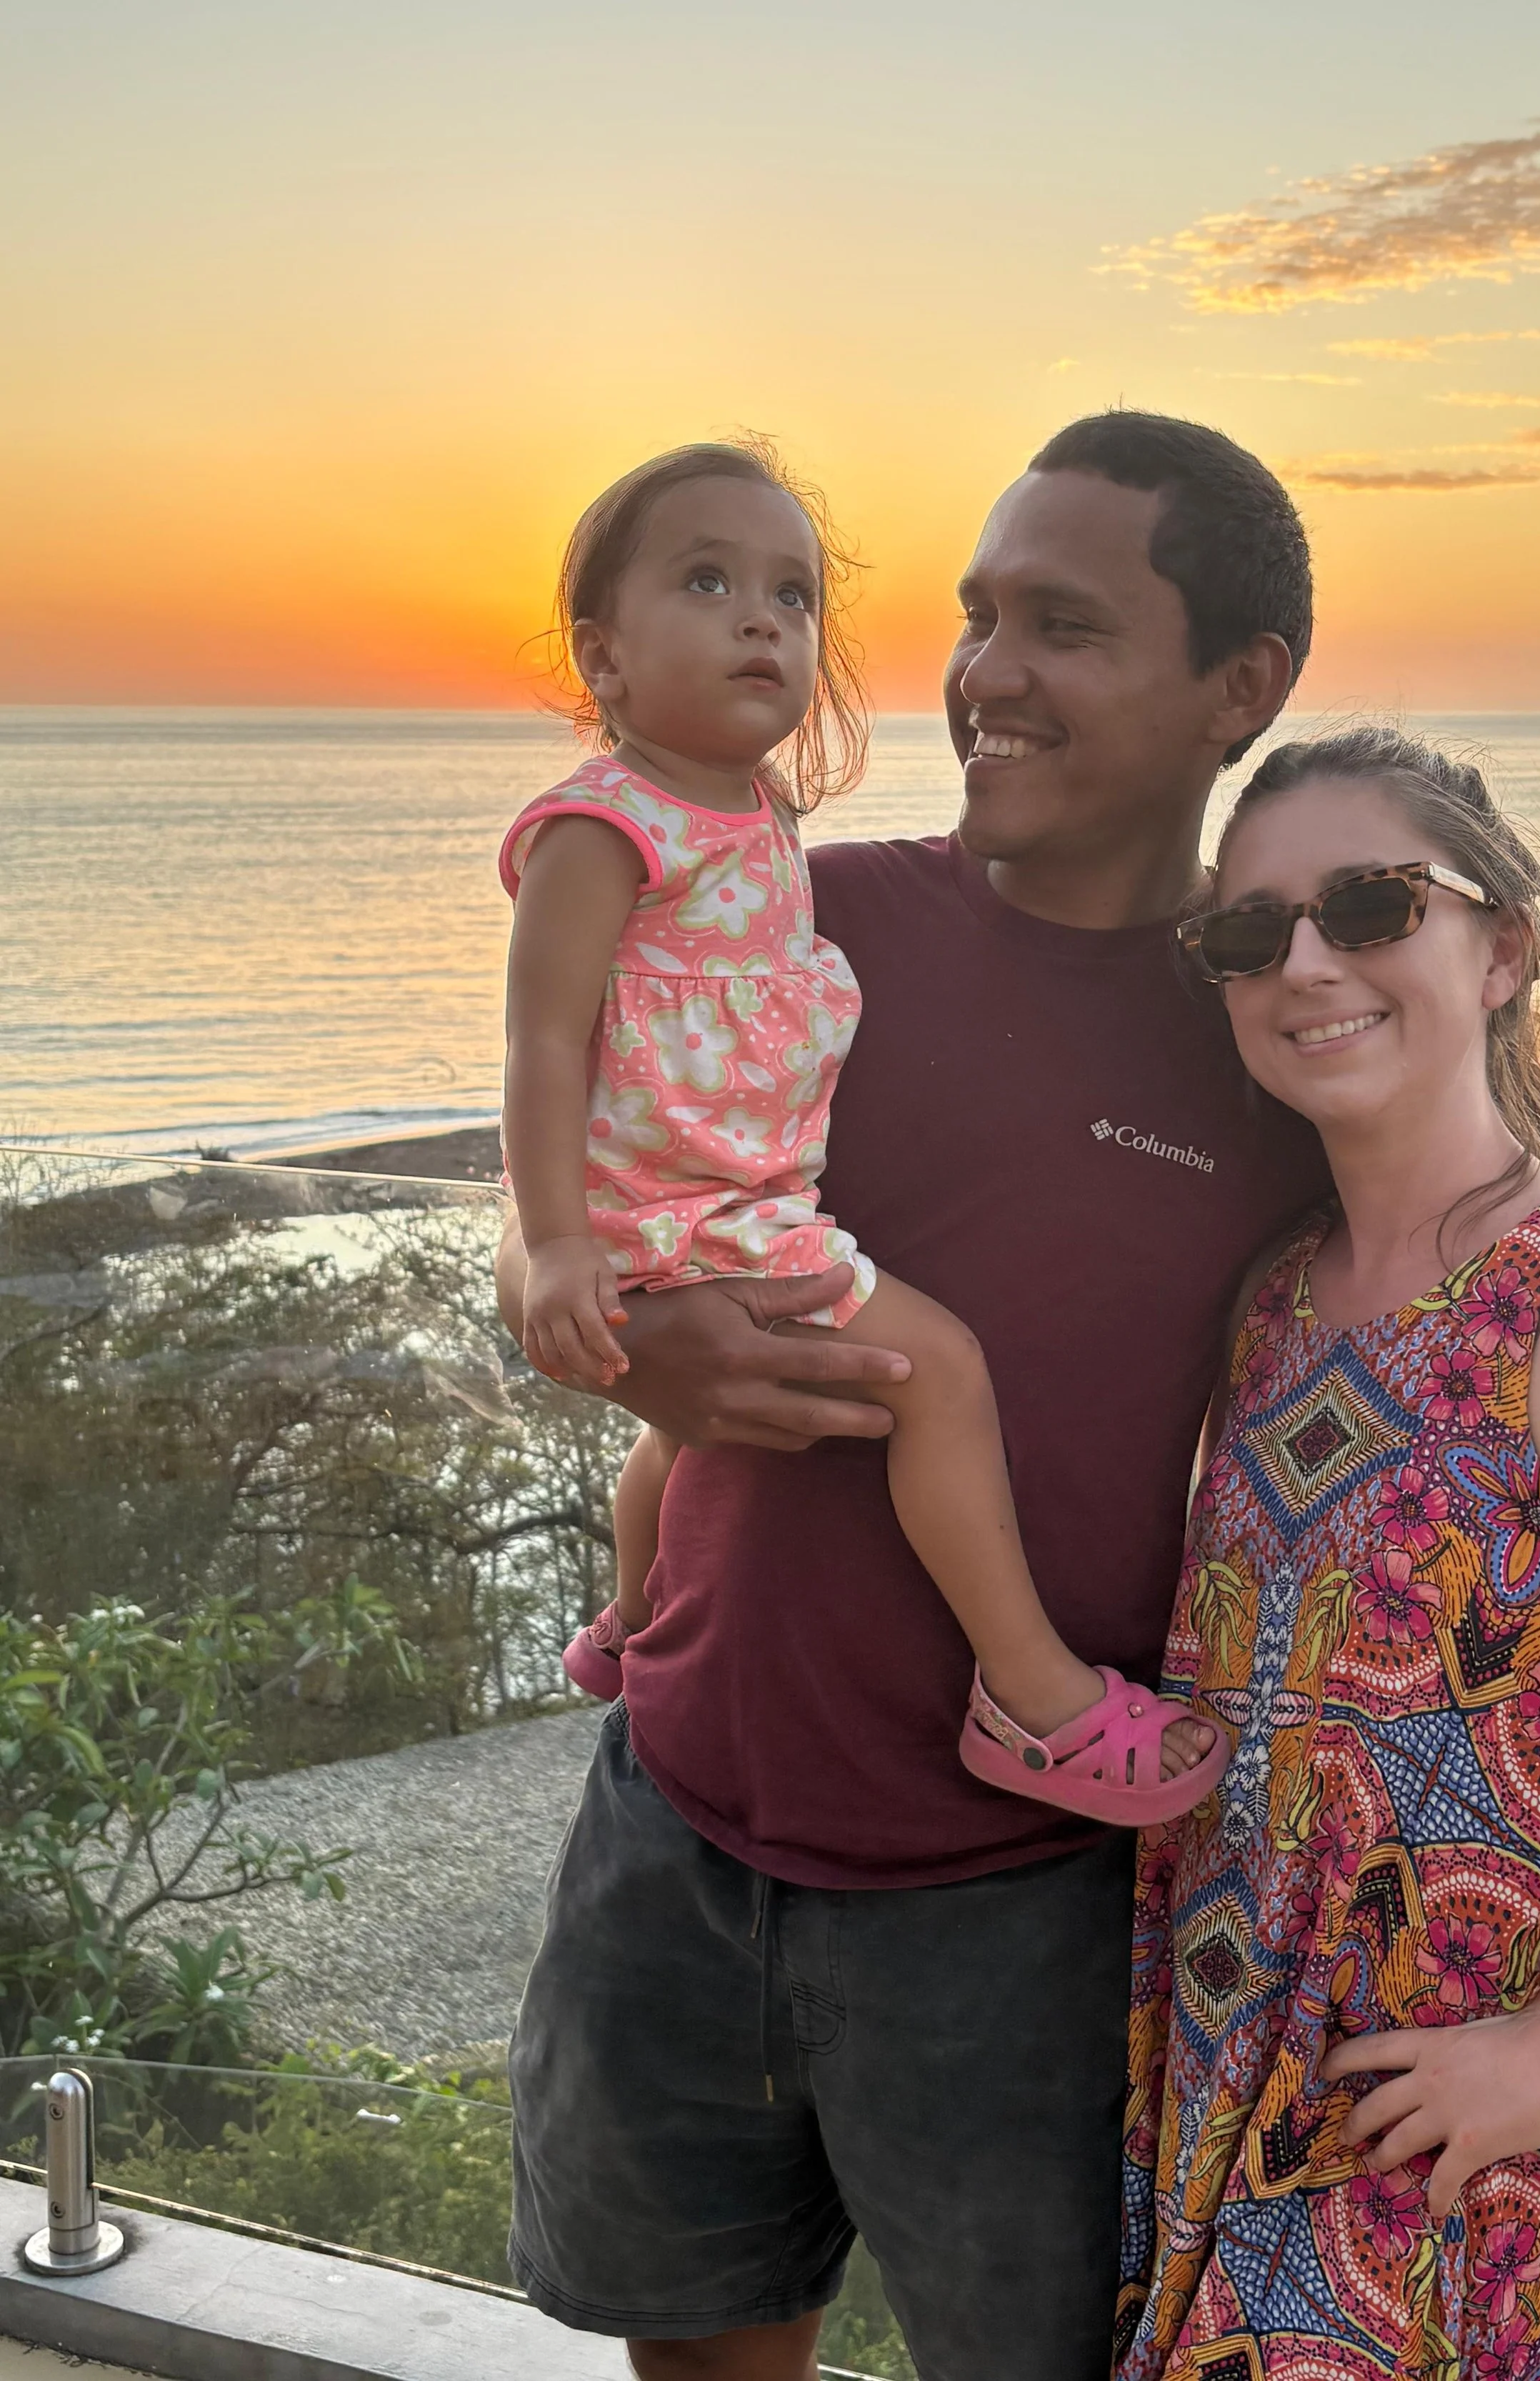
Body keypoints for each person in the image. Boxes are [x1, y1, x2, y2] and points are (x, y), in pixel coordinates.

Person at [498, 417, 1540, 2381]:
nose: (985, 674)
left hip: (1026, 1916)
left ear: (1241, 683)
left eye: (1061, 625)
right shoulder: (800, 919)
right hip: (676, 1825)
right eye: (975, 616)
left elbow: (1503, 1387)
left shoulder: (1286, 1020)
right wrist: (568, 1302)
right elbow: (582, 1150)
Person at [1118, 725, 1540, 2380]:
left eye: (1366, 904)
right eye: (1246, 930)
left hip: (1445, 2188)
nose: (1303, 961)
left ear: (1500, 950)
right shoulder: (1265, 1295)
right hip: (1207, 2122)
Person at [501, 437, 1224, 1822]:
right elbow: (544, 1055)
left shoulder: (1278, 1026)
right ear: (601, 655)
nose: (760, 622)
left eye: (791, 595)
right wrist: (560, 1260)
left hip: (717, 1210)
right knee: (934, 1372)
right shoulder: (638, 841)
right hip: (708, 1231)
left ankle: (625, 1617)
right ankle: (1033, 1694)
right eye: (707, 583)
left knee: (682, 1439)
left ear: (1236, 683)